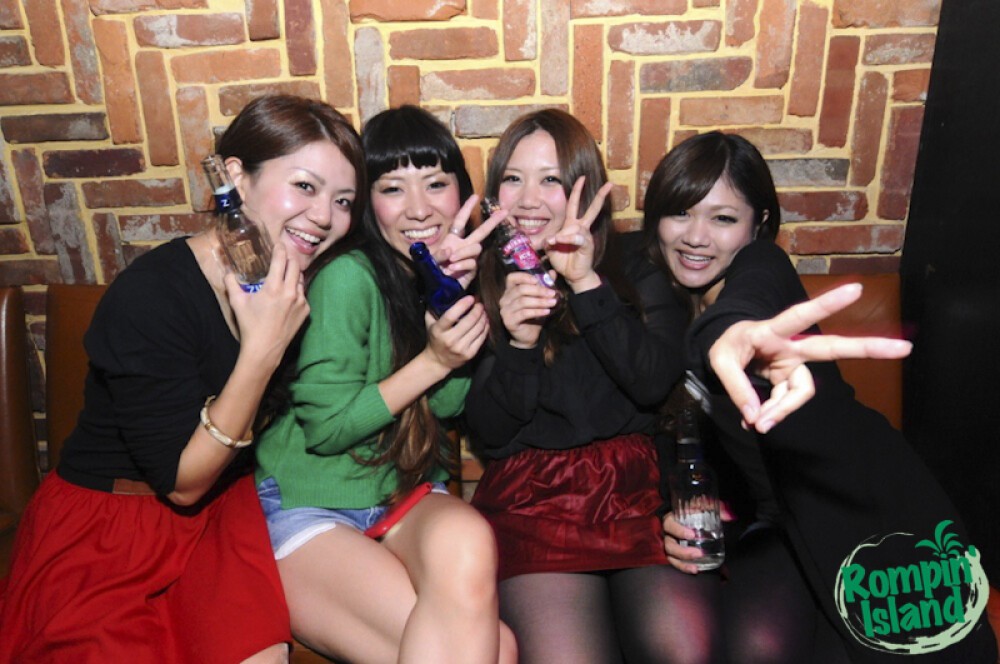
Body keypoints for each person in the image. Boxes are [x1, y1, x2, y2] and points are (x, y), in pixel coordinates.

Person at [0, 94, 364, 663]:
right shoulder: (150, 295)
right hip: (112, 527)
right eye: (305, 186)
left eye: (343, 201)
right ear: (236, 178)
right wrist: (262, 351)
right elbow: (181, 481)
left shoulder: (293, 284)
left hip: (221, 512)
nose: (324, 216)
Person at [643, 131, 997, 663]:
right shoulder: (658, 305)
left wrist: (733, 335)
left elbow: (747, 304)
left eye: (723, 218)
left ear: (759, 224)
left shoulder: (763, 266)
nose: (696, 237)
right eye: (680, 213)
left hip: (866, 503)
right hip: (779, 525)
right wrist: (672, 514)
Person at [253, 105, 516, 664]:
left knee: (471, 542)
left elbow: (446, 404)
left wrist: (449, 299)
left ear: (460, 191)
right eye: (393, 188)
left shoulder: (428, 275)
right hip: (311, 501)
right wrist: (435, 359)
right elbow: (326, 429)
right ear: (367, 204)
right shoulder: (348, 277)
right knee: (500, 650)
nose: (419, 208)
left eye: (436, 184)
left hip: (403, 492)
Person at [465, 108, 722, 663]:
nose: (528, 199)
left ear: (582, 186)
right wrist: (520, 342)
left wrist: (585, 282)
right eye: (513, 179)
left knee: (684, 648)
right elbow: (490, 432)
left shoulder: (634, 263)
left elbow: (653, 384)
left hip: (637, 494)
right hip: (534, 501)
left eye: (550, 180)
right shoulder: (482, 276)